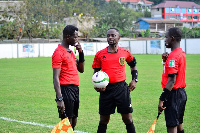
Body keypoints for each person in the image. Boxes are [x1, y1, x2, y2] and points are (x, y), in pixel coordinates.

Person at [92, 28, 138, 133]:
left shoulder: (125, 52)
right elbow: (96, 73)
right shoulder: (100, 54)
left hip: (121, 89)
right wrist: (97, 85)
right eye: (108, 35)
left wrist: (135, 80)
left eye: (113, 35)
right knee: (103, 120)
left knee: (127, 118)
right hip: (106, 90)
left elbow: (133, 66)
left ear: (119, 37)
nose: (110, 37)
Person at [52, 25, 85, 130]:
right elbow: (55, 77)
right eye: (75, 37)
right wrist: (59, 98)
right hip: (65, 89)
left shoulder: (70, 52)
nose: (77, 39)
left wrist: (81, 52)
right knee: (67, 122)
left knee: (74, 121)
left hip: (75, 89)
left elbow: (81, 69)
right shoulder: (58, 53)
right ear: (67, 37)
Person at [158, 27, 187, 133]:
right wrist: (165, 61)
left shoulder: (173, 57)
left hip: (173, 95)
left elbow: (171, 80)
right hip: (181, 94)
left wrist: (162, 99)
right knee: (179, 124)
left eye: (166, 37)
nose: (165, 40)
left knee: (172, 126)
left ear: (172, 38)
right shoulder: (181, 53)